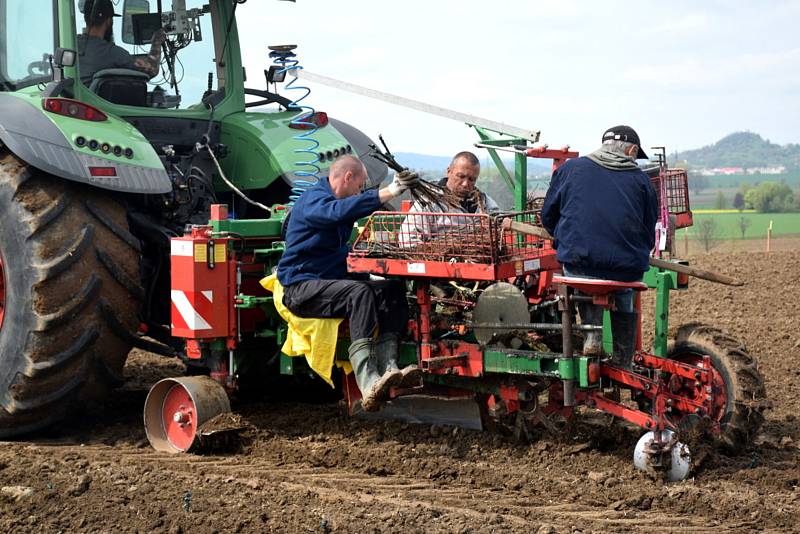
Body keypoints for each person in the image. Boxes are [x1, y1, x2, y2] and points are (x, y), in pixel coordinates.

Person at [277, 155, 421, 411]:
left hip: (329, 284)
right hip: (302, 289)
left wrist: (371, 272)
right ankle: (368, 381)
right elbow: (337, 213)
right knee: (360, 293)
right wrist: (388, 192)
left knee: (391, 289)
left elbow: (336, 257)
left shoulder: (333, 204)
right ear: (348, 177)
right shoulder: (314, 201)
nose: (359, 192)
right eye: (359, 186)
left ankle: (390, 366)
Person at [541, 125, 658, 367]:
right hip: (626, 270)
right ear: (632, 149)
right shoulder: (642, 181)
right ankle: (623, 356)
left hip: (580, 264)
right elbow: (649, 230)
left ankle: (592, 337)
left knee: (584, 281)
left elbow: (548, 216)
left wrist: (561, 239)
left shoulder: (570, 170)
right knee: (624, 289)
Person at [398, 151, 499, 247]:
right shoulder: (429, 202)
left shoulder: (484, 203)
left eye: (472, 179)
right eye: (461, 176)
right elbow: (408, 239)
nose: (465, 184)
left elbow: (498, 224)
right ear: (449, 171)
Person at [77, 0, 166, 85]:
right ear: (108, 21)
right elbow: (151, 69)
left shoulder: (69, 45)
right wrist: (156, 42)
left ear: (86, 19)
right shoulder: (112, 53)